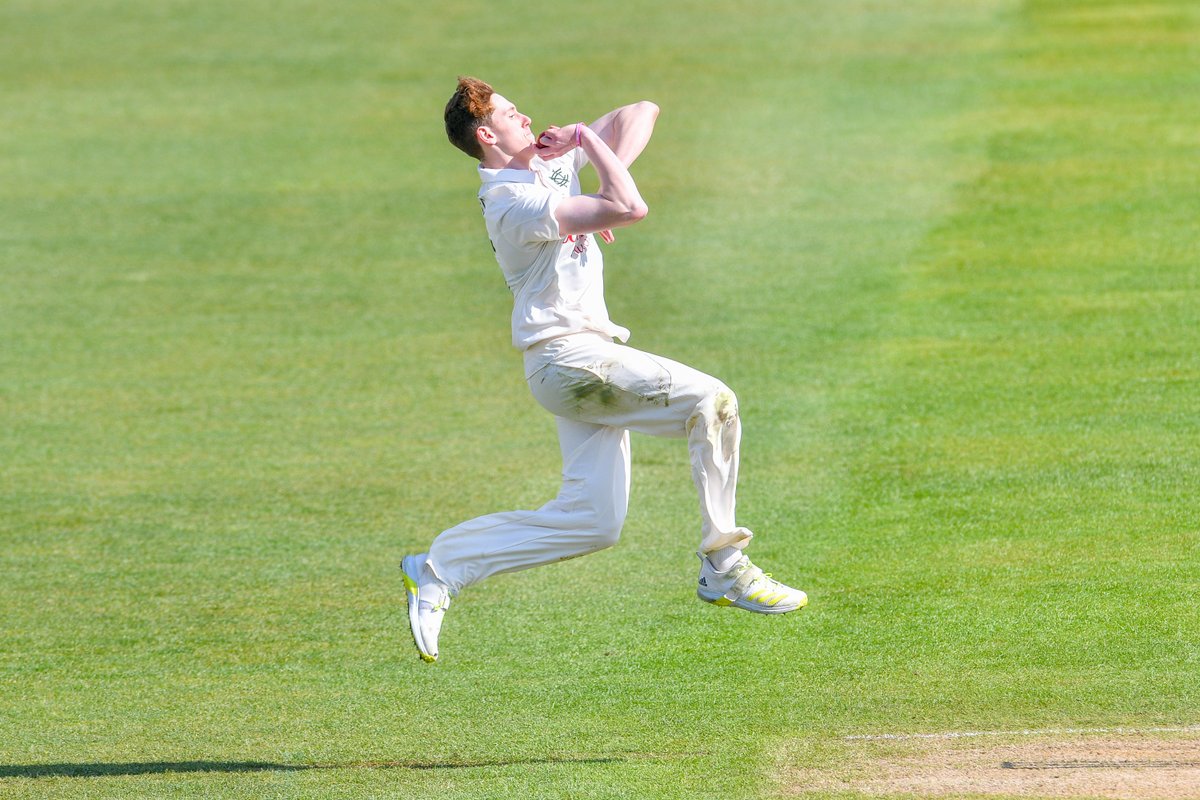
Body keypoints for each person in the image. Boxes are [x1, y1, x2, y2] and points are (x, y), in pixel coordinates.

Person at [400, 76, 807, 663]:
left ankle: (439, 567)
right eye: (513, 114)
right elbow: (630, 207)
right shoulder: (513, 201)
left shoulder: (542, 166)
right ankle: (725, 563)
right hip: (571, 360)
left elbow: (642, 110)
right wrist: (591, 153)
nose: (527, 117)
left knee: (593, 522)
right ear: (487, 134)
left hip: (576, 367)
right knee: (710, 401)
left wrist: (592, 166)